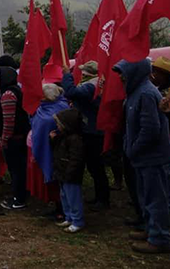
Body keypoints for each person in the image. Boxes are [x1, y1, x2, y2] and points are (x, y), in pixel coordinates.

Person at [113, 59, 170, 254]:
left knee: (156, 198)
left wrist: (134, 148)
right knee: (145, 196)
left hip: (152, 157)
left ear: (135, 72)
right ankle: (150, 229)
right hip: (141, 157)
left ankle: (160, 238)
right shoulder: (135, 92)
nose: (120, 76)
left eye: (123, 72)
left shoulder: (145, 93)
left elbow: (150, 129)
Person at [62, 60, 110, 211]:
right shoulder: (95, 84)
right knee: (94, 166)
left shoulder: (92, 86)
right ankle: (100, 196)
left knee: (96, 167)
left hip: (93, 131)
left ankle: (103, 199)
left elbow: (71, 92)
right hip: (92, 129)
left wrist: (67, 76)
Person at [28, 84, 69, 220]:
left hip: (55, 150)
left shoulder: (60, 109)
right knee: (52, 181)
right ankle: (57, 207)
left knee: (57, 180)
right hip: (44, 147)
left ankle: (63, 210)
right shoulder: (43, 108)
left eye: (43, 95)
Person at [0, 67, 30, 210]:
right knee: (19, 169)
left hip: (14, 139)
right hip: (19, 137)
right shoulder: (16, 91)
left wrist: (4, 139)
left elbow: (9, 121)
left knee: (16, 170)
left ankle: (19, 199)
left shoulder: (8, 94)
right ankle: (20, 195)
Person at [50, 108, 87, 234]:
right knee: (64, 196)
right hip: (62, 172)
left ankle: (77, 221)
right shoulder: (62, 137)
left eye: (59, 124)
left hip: (70, 174)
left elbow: (76, 159)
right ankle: (69, 217)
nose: (57, 126)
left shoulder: (75, 140)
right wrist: (53, 139)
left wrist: (70, 172)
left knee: (73, 198)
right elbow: (56, 150)